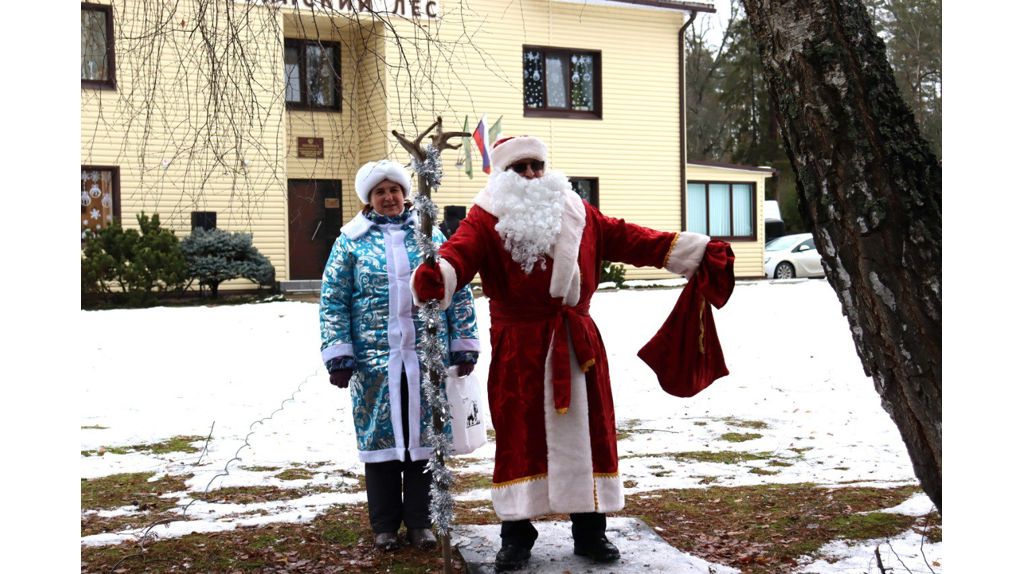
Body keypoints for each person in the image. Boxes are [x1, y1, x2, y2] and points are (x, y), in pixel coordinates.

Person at [411, 136, 712, 571]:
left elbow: (631, 239)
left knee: (588, 434)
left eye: (537, 165)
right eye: (521, 168)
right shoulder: (485, 216)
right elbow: (460, 252)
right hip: (521, 348)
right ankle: (516, 536)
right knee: (520, 436)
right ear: (502, 174)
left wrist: (695, 252)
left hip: (577, 345)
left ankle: (591, 533)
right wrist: (440, 275)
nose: (532, 175)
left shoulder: (577, 210)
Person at [320, 160, 480, 552]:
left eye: (394, 190)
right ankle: (385, 526)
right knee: (381, 443)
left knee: (426, 441)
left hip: (427, 356)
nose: (389, 198)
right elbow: (333, 299)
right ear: (369, 199)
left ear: (405, 194)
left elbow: (456, 290)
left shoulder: (429, 236)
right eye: (380, 192)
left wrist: (463, 342)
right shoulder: (350, 241)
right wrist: (338, 352)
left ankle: (421, 523)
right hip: (375, 363)